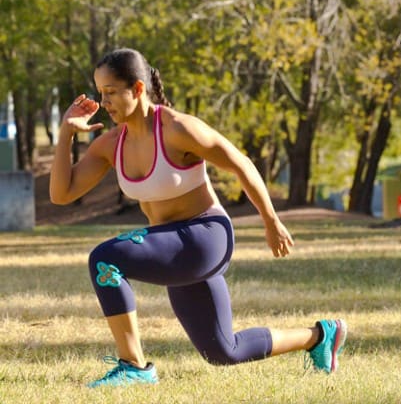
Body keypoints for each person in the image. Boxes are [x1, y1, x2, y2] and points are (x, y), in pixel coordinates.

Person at [49, 48, 347, 388]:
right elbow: (62, 194)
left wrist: (271, 219)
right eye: (101, 93)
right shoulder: (110, 145)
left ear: (138, 89)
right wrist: (65, 134)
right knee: (223, 351)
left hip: (205, 236)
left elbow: (240, 162)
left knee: (105, 259)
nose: (104, 102)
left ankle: (134, 367)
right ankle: (321, 335)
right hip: (173, 246)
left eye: (112, 92)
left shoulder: (177, 128)